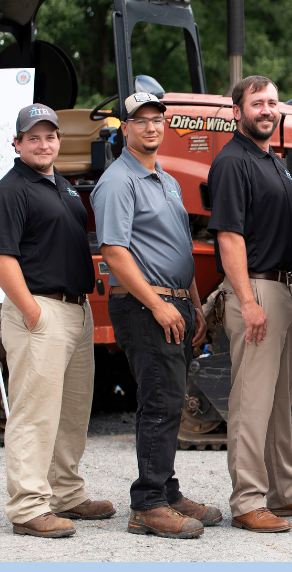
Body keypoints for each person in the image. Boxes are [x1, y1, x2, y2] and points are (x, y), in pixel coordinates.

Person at [207, 75, 292, 533]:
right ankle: (247, 500)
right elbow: (229, 237)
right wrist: (247, 300)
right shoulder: (232, 163)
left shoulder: (274, 161)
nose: (266, 109)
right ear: (237, 111)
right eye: (257, 102)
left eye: (272, 102)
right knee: (251, 401)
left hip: (285, 289)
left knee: (280, 402)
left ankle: (285, 491)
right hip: (256, 290)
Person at [92, 92, 222, 539]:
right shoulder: (118, 181)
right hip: (146, 307)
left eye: (157, 120)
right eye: (140, 120)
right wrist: (159, 303)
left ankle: (166, 491)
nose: (150, 127)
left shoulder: (164, 178)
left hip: (176, 301)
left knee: (170, 400)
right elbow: (115, 252)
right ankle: (147, 504)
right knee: (160, 403)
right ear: (124, 128)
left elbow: (177, 246)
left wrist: (193, 300)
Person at [0, 104, 113, 538]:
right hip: (39, 309)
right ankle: (27, 508)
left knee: (72, 413)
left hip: (75, 310)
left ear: (59, 140)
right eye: (33, 137)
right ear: (17, 144)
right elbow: (1, 257)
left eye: (50, 136)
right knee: (35, 414)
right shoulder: (11, 190)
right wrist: (32, 310)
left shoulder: (62, 185)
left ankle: (66, 494)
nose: (43, 144)